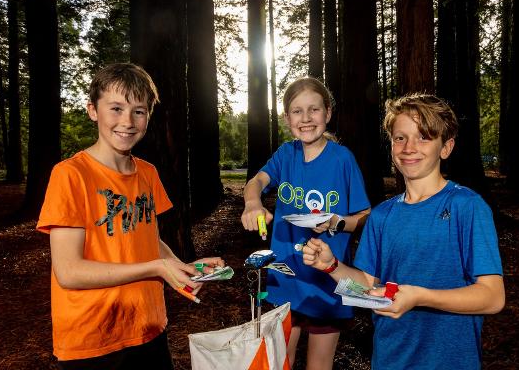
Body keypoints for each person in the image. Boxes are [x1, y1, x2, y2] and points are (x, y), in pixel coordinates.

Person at [36, 63, 224, 369]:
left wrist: (182, 268)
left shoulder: (147, 172)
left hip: (148, 327)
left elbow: (149, 238)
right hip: (94, 338)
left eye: (139, 111)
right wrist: (158, 267)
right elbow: (69, 272)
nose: (127, 121)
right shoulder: (70, 175)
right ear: (92, 111)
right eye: (116, 108)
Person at [302, 93, 505, 369]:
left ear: (446, 147)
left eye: (424, 137)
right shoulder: (382, 215)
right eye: (400, 138)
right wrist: (332, 266)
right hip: (389, 358)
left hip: (450, 361)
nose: (409, 147)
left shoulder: (466, 207)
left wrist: (420, 297)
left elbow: (493, 297)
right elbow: (369, 282)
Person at [241, 77, 371, 370]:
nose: (306, 118)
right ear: (287, 118)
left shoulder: (342, 159)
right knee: (279, 361)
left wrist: (336, 223)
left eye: (314, 109)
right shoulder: (286, 154)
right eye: (297, 111)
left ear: (327, 112)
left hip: (327, 281)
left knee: (319, 365)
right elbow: (257, 181)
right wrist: (253, 202)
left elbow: (364, 216)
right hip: (285, 278)